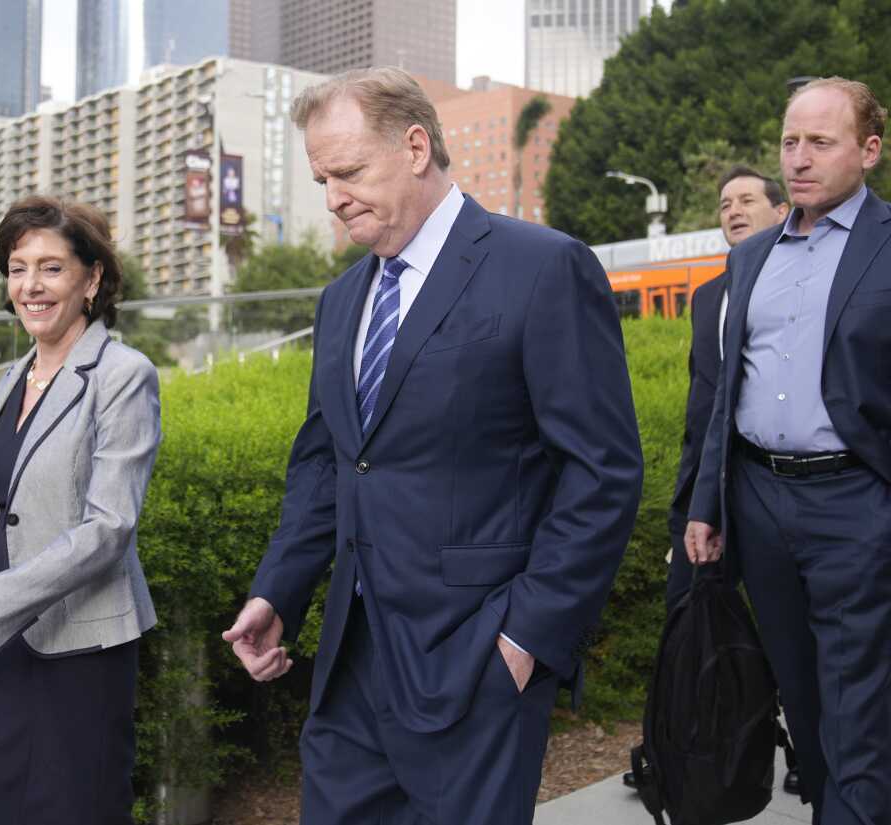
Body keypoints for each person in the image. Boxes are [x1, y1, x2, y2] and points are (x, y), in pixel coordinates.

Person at [222, 67, 643, 825]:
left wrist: (526, 639)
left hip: (477, 660)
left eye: (349, 172)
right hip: (351, 664)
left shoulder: (543, 267)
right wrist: (276, 591)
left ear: (415, 147)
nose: (333, 198)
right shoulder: (341, 300)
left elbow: (602, 473)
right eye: (322, 180)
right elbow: (327, 464)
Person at [0, 196, 162, 825]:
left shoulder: (123, 375)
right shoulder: (10, 381)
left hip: (75, 646)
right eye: (17, 269)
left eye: (51, 268)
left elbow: (109, 529)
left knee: (69, 808)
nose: (31, 286)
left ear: (92, 280)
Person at [686, 77, 891, 825]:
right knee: (802, 700)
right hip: (759, 504)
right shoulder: (750, 259)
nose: (799, 159)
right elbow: (726, 392)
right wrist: (709, 504)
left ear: (868, 151)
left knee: (857, 709)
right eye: (789, 141)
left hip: (857, 503)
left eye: (820, 142)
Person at [622, 164, 790, 791]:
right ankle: (673, 752)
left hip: (778, 490)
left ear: (781, 212)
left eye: (747, 200)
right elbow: (703, 402)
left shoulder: (801, 285)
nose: (733, 210)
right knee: (685, 618)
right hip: (706, 495)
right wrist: (689, 499)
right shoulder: (708, 295)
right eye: (724, 204)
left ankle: (804, 751)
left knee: (786, 627)